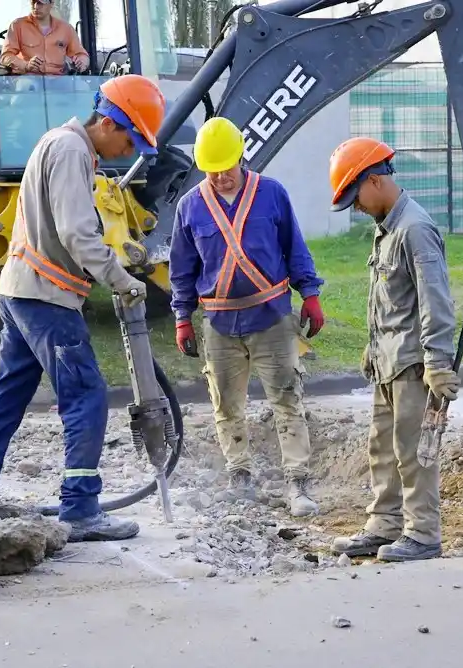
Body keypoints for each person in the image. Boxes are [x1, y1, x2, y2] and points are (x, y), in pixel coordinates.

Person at [0, 74, 167, 542]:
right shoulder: (73, 151)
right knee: (86, 395)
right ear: (112, 123)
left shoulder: (61, 143)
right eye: (132, 139)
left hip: (20, 291)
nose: (129, 151)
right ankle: (79, 508)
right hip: (46, 297)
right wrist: (121, 279)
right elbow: (78, 234)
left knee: (9, 392)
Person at [169, 116, 327, 518]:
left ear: (242, 156)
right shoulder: (190, 207)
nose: (221, 177)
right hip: (220, 326)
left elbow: (296, 247)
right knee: (225, 405)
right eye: (212, 170)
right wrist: (182, 317)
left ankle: (298, 483)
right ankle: (240, 477)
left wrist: (310, 295)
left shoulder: (271, 194)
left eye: (227, 167)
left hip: (272, 318)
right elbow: (182, 269)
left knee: (287, 401)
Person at [325, 137, 460, 562]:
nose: (357, 207)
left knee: (413, 451)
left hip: (413, 365)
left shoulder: (415, 229)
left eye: (356, 196)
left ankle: (422, 533)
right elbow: (390, 298)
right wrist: (371, 347)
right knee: (382, 448)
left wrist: (437, 362)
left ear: (376, 180)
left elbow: (434, 297)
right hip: (388, 362)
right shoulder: (386, 230)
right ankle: (384, 524)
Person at [0, 0, 90, 75]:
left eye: (40, 2)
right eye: (33, 2)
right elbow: (6, 56)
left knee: (82, 87)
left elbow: (81, 55)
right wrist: (26, 65)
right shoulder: (17, 26)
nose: (35, 6)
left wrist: (81, 63)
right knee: (26, 86)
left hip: (59, 79)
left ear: (51, 4)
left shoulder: (66, 29)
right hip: (28, 77)